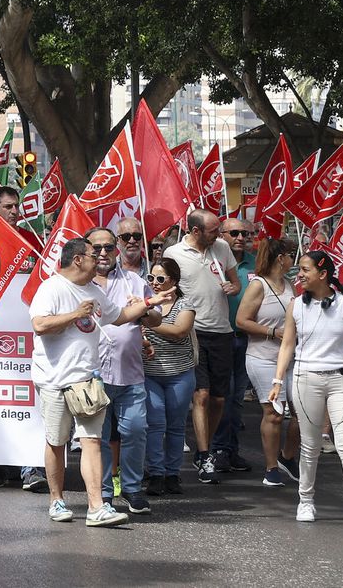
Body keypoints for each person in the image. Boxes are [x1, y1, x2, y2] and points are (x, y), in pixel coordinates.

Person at [28, 237, 158, 527]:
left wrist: (150, 303)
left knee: (92, 441)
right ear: (77, 259)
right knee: (57, 442)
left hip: (88, 379)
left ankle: (96, 506)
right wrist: (76, 313)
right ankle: (56, 500)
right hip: (54, 380)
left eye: (104, 250)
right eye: (92, 253)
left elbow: (120, 316)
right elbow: (40, 325)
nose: (100, 256)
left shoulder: (94, 291)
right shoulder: (51, 288)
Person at [271, 250, 343, 528]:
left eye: (305, 270)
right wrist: (277, 381)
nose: (299, 275)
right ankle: (306, 501)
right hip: (305, 379)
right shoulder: (295, 306)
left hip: (341, 381)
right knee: (310, 445)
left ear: (323, 274)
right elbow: (287, 345)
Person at [88, 226, 161, 516]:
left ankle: (131, 488)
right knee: (100, 437)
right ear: (87, 250)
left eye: (108, 247)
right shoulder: (79, 284)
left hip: (130, 374)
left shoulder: (134, 281)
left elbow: (156, 319)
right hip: (94, 376)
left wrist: (144, 309)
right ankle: (105, 493)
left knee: (135, 430)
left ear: (116, 248)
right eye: (96, 248)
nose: (103, 253)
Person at [164, 208, 241, 484]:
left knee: (219, 398)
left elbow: (235, 282)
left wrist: (233, 287)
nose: (219, 234)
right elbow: (167, 289)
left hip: (222, 331)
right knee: (202, 395)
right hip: (194, 332)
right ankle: (205, 454)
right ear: (195, 231)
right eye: (213, 230)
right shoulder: (174, 253)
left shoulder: (221, 248)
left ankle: (203, 447)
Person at [234, 236, 301, 487]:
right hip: (262, 357)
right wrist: (273, 332)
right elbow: (241, 321)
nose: (293, 260)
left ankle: (287, 456)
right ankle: (271, 467)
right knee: (273, 413)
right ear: (280, 258)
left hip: (290, 358)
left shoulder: (290, 284)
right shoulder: (258, 285)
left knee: (302, 412)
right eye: (291, 255)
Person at [143, 257, 197, 497]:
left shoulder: (185, 303)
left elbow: (180, 331)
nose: (154, 283)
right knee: (154, 425)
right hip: (150, 374)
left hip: (180, 374)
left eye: (160, 278)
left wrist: (147, 322)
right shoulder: (145, 303)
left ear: (173, 281)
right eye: (151, 278)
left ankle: (172, 474)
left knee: (176, 426)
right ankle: (156, 474)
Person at [211, 217, 256, 472]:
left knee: (237, 398)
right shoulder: (214, 260)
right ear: (222, 235)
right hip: (220, 338)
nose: (241, 238)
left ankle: (231, 449)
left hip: (247, 339)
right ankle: (216, 449)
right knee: (222, 397)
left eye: (245, 233)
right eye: (235, 233)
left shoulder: (255, 263)